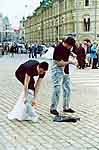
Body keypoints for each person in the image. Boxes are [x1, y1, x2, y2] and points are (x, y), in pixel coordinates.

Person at [50, 37, 77, 116]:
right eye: (70, 46)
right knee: (57, 88)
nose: (70, 48)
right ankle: (53, 108)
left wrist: (72, 54)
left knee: (67, 88)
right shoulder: (58, 48)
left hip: (65, 69)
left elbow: (67, 53)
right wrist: (70, 61)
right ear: (67, 44)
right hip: (57, 70)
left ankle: (66, 107)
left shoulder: (67, 48)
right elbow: (59, 63)